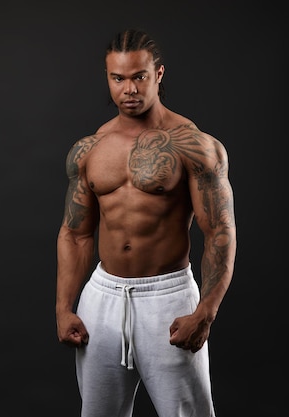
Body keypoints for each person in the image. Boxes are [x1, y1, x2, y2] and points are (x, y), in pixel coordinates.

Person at [55, 28, 236, 417]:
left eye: (139, 76)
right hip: (102, 299)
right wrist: (63, 307)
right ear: (107, 78)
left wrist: (205, 312)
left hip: (167, 299)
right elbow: (75, 232)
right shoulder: (90, 148)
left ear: (158, 74)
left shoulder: (194, 145)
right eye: (118, 78)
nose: (129, 89)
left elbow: (219, 231)